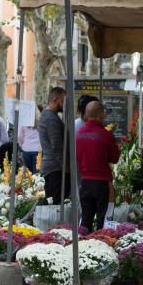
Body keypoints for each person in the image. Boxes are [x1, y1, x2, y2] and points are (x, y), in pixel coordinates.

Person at [75, 100, 120, 232]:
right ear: (102, 115)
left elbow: (77, 157)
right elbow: (115, 158)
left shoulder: (79, 134)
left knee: (85, 221)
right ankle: (101, 245)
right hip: (101, 183)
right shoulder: (106, 134)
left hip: (85, 182)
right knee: (103, 222)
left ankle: (83, 247)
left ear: (87, 115)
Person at [38, 87, 70, 205]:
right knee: (56, 205)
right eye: (63, 101)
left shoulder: (51, 116)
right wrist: (66, 167)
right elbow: (57, 146)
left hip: (55, 167)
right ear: (55, 100)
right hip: (56, 169)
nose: (65, 104)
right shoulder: (50, 118)